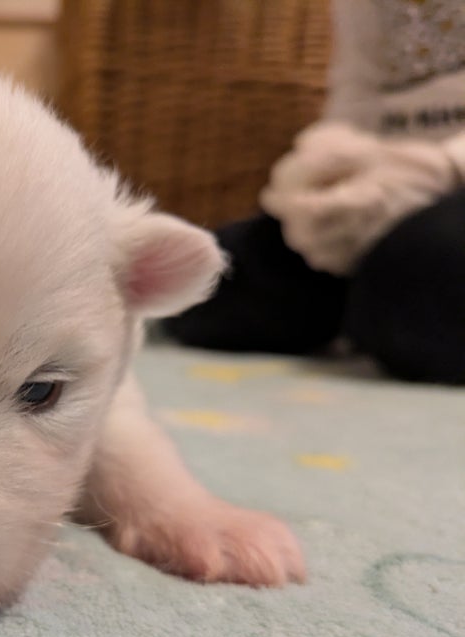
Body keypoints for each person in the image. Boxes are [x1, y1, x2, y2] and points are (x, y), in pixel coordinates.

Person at [164, 0, 465, 385]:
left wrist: (443, 166)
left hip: (442, 185)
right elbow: (354, 98)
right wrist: (319, 169)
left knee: (419, 275)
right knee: (217, 282)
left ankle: (374, 305)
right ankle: (369, 312)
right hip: (384, 176)